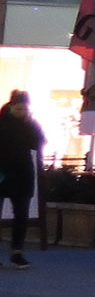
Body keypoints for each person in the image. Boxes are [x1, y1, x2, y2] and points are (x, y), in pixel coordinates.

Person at [0, 90, 43, 268]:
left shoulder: (29, 124)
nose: (21, 111)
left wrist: (30, 123)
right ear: (10, 107)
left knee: (21, 215)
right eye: (18, 108)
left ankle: (17, 252)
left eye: (24, 108)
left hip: (23, 173)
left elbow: (37, 143)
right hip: (2, 172)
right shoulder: (2, 123)